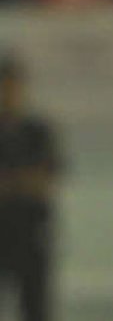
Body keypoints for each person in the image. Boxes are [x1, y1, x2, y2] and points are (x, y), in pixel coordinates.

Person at [0, 52, 61, 321]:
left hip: (30, 234)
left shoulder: (38, 130)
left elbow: (46, 180)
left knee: (35, 309)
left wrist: (13, 183)